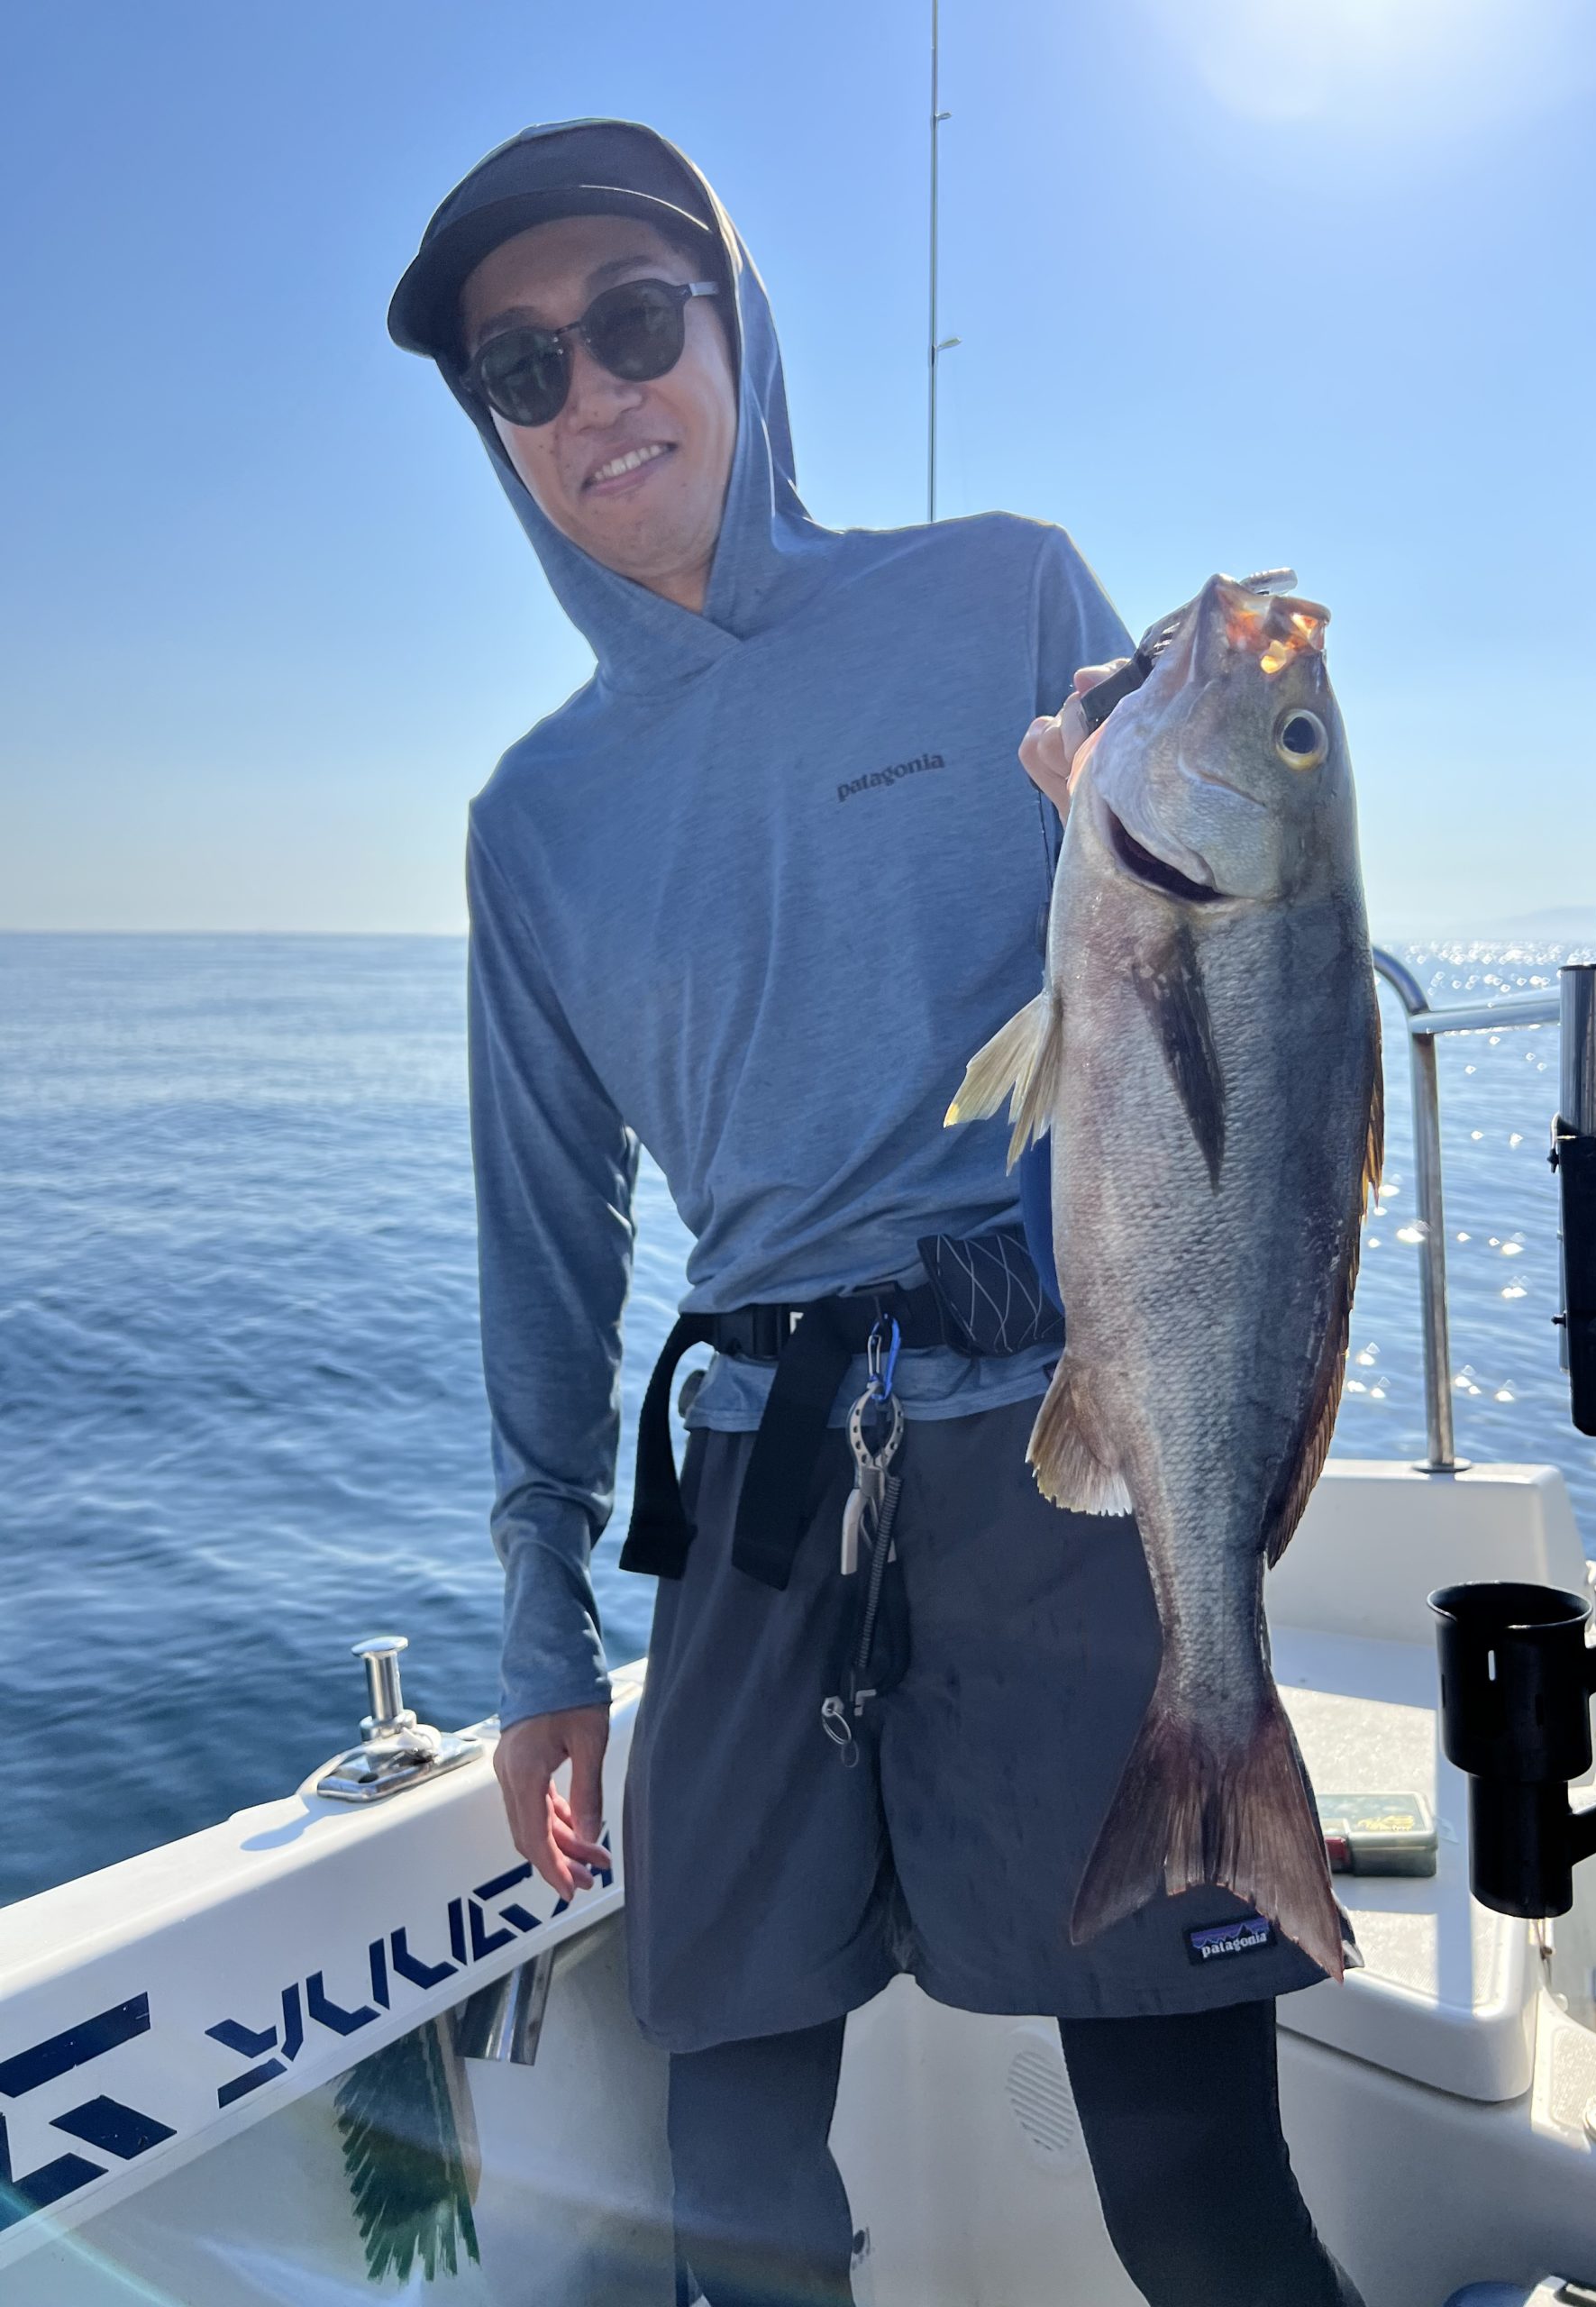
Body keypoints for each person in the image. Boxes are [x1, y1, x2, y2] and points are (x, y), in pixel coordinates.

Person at [389, 117, 1363, 2307]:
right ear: (497, 433)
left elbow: (1234, 1013)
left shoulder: (1005, 591)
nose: (591, 393)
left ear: (735, 325)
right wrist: (542, 1634)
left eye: (632, 321)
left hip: (1059, 1436)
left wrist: (1099, 802)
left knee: (1196, 2189)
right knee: (731, 2185)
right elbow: (547, 1239)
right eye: (522, 371)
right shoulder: (531, 820)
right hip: (761, 1492)